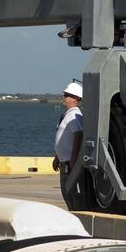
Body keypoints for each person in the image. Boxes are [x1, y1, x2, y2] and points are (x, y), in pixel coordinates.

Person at [53, 81, 85, 210]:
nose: (64, 98)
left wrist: (73, 159)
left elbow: (78, 135)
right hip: (64, 161)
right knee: (67, 192)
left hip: (68, 163)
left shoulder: (73, 115)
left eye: (67, 95)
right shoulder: (69, 115)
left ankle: (76, 214)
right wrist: (57, 157)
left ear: (75, 98)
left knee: (69, 193)